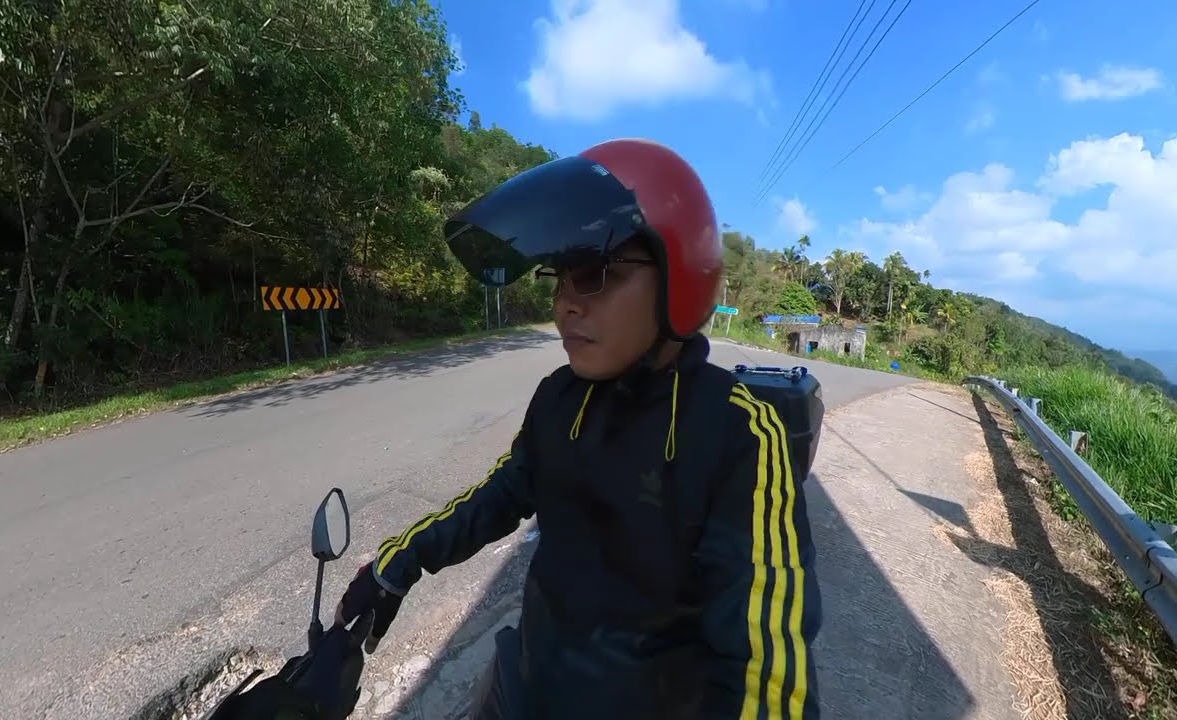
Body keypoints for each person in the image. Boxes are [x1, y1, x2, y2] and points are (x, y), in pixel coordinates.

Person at [334, 138, 822, 719]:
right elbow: (501, 494)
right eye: (560, 278)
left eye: (593, 274)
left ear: (679, 275)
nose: (564, 304)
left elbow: (768, 667)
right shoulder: (559, 397)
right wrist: (398, 563)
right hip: (526, 684)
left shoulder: (738, 432)